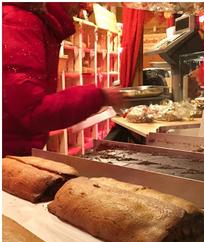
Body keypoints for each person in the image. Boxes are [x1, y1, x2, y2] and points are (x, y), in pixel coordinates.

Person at [2, 3, 123, 156]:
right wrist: (100, 96)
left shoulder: (30, 21)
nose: (84, 5)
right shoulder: (18, 22)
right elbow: (32, 110)